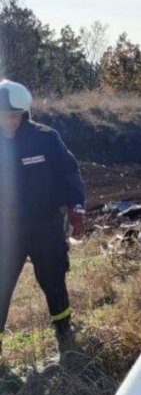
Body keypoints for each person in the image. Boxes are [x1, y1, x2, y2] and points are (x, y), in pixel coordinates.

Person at [0, 80, 85, 356]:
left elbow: (68, 173)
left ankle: (64, 333)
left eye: (13, 116)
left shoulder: (46, 138)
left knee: (53, 279)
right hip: (6, 230)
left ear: (24, 114)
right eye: (2, 116)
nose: (8, 122)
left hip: (44, 225)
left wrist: (75, 206)